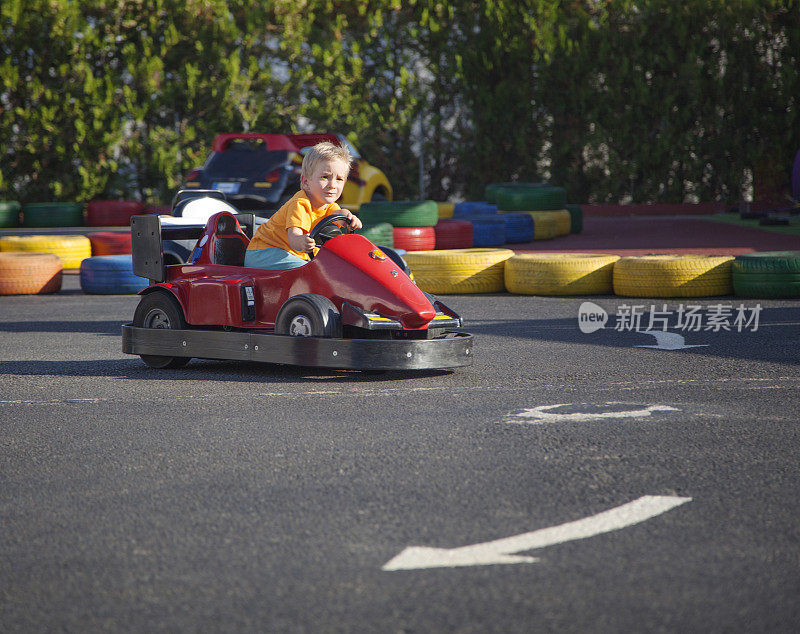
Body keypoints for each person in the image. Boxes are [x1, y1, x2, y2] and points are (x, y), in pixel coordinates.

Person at [244, 141, 363, 269]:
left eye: (339, 179)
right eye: (325, 177)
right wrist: (302, 241)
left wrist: (349, 219)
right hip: (265, 252)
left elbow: (338, 215)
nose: (332, 185)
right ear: (306, 182)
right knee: (314, 271)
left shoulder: (329, 206)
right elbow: (294, 238)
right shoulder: (300, 204)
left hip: (291, 255)